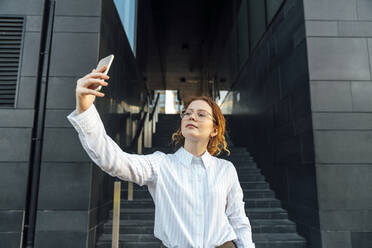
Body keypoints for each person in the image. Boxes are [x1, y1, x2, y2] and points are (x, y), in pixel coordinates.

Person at [66, 66, 255, 248]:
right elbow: (114, 161)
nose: (192, 117)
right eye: (187, 113)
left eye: (201, 114)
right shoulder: (161, 164)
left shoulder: (225, 169)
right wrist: (85, 109)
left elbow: (238, 219)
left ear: (214, 129)